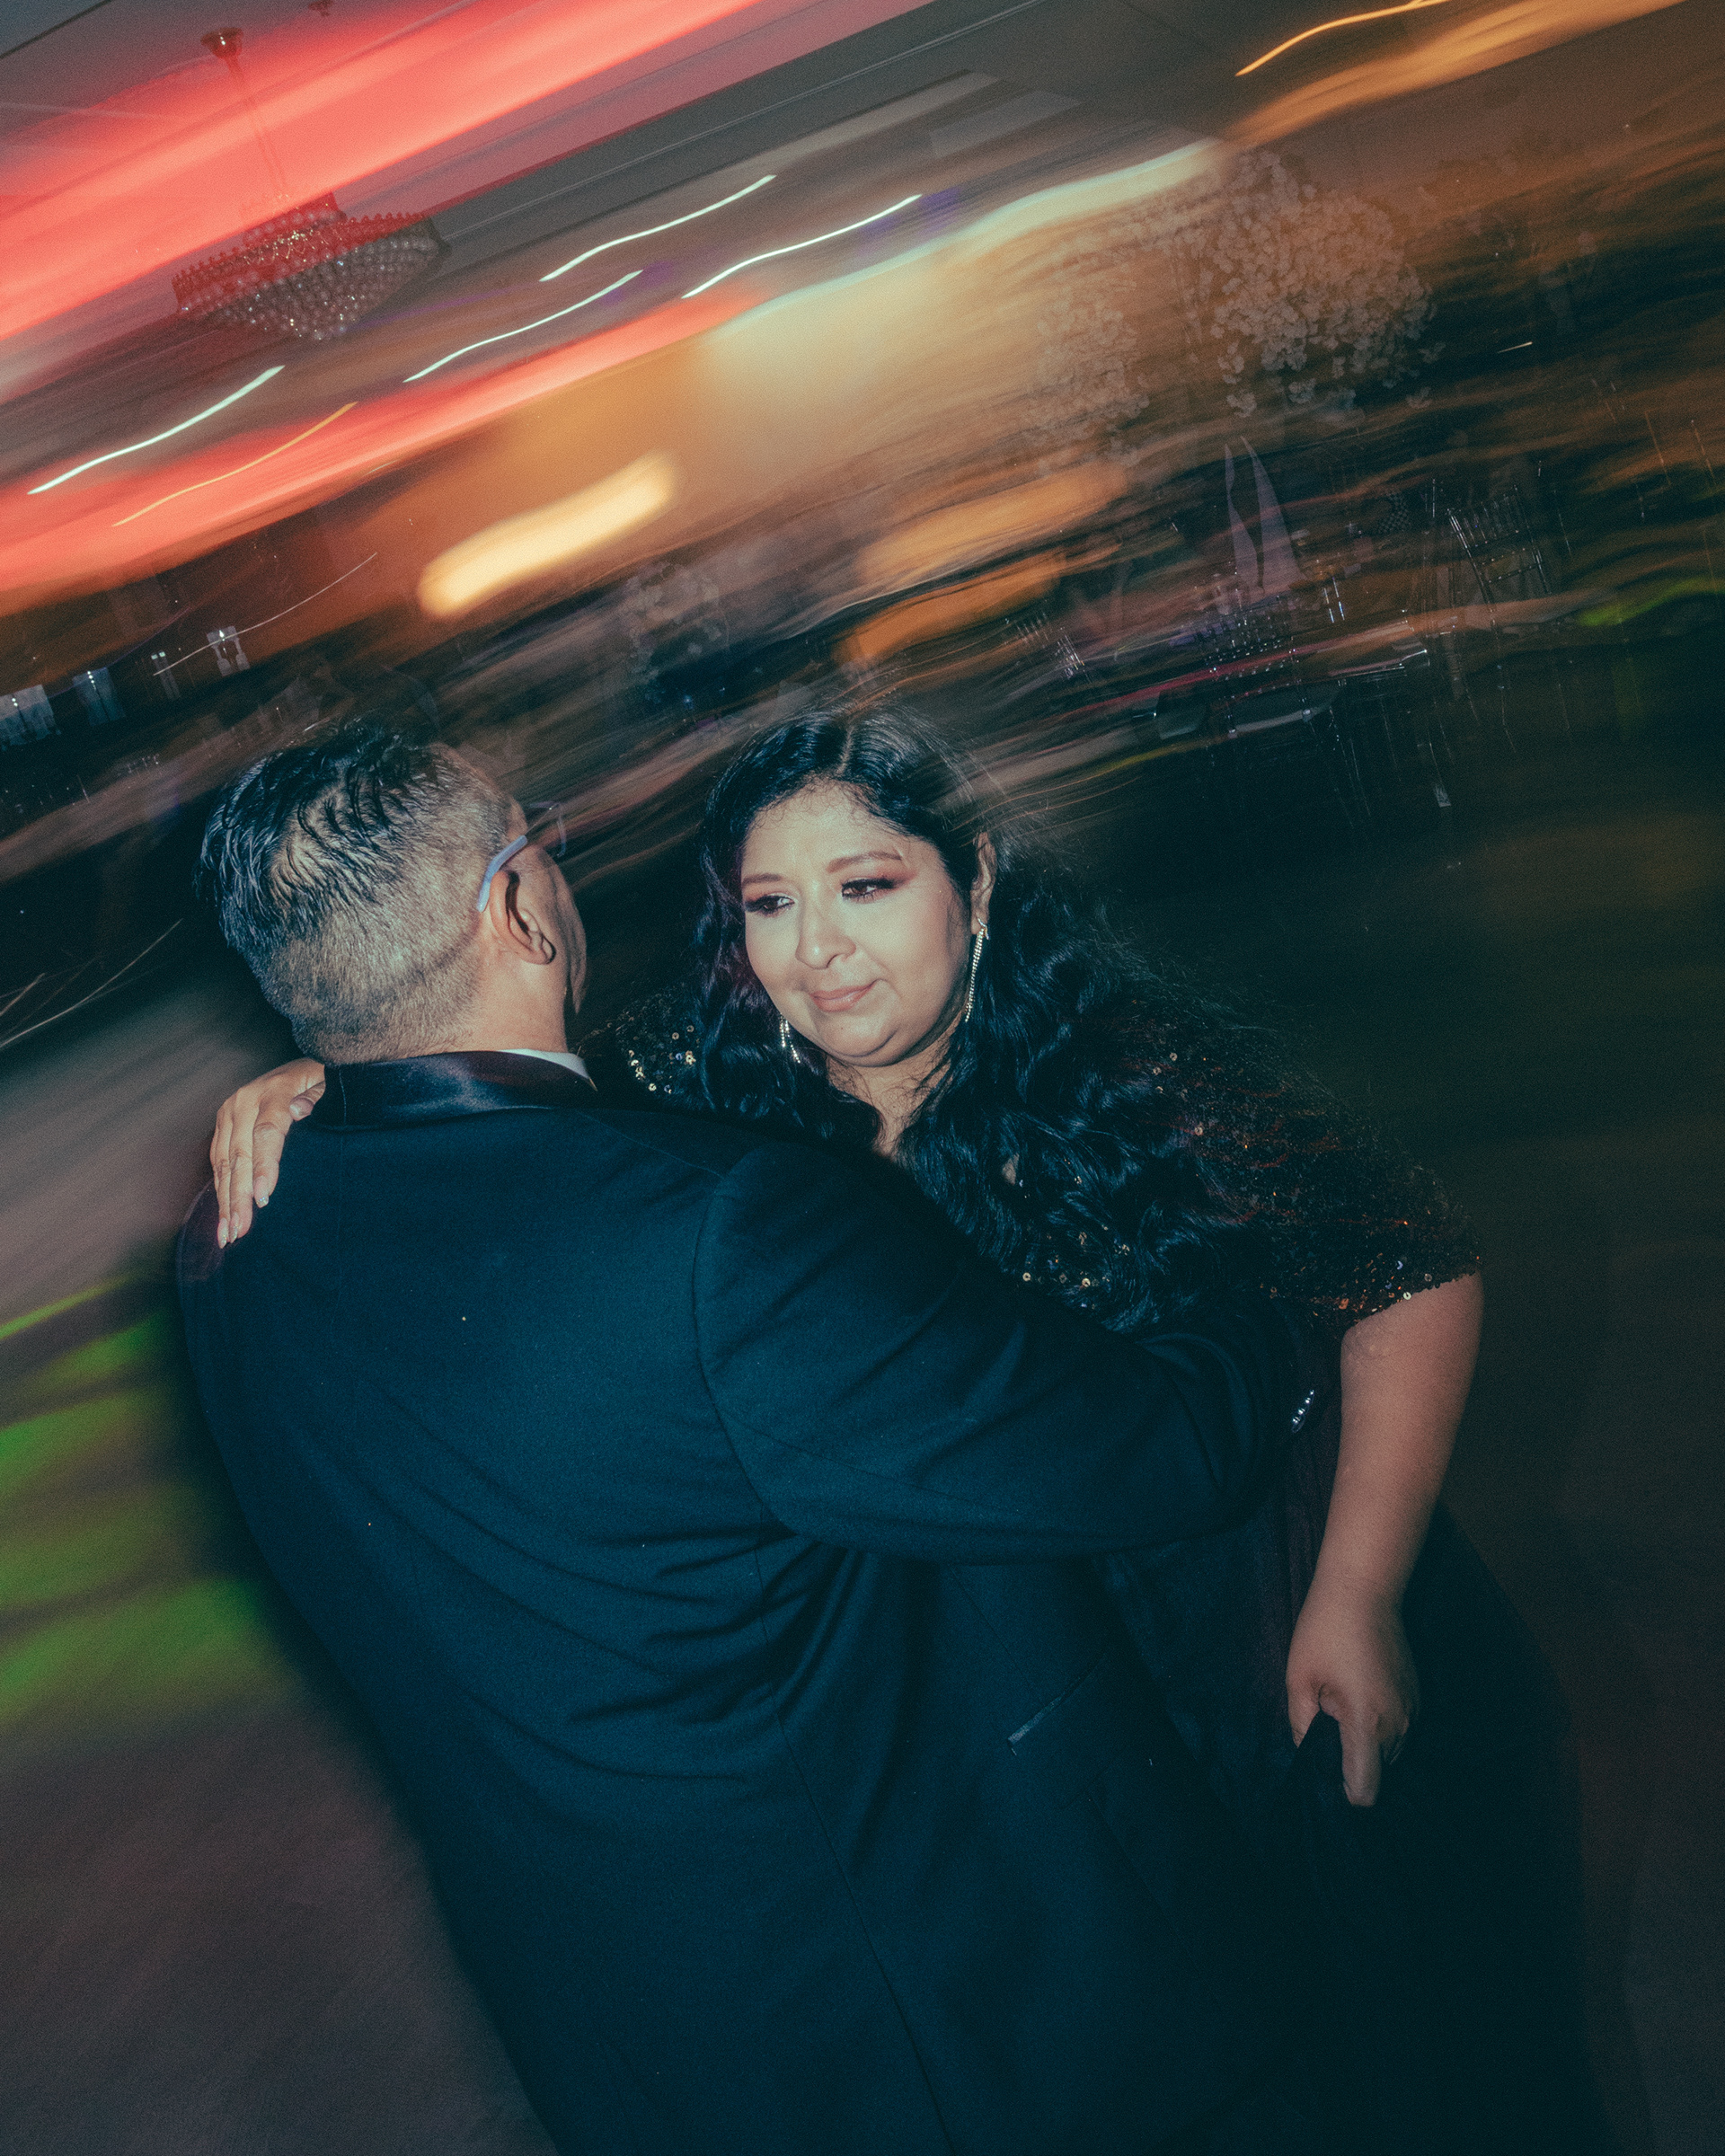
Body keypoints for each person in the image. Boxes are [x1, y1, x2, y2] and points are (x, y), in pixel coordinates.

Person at [217, 699, 1616, 2156]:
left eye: (867, 885)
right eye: (770, 903)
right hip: (1027, 1742)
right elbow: (488, 1122)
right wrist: (325, 1078)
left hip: (1245, 1636)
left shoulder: (1133, 1069)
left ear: (978, 881)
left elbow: (1407, 1265)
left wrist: (1357, 1592)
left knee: (1387, 2054)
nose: (817, 949)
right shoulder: (699, 1087)